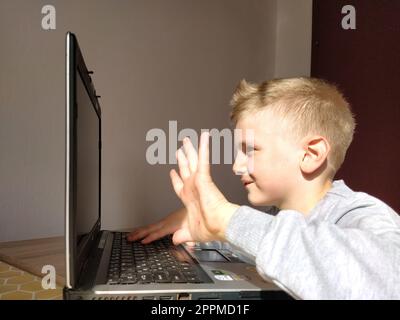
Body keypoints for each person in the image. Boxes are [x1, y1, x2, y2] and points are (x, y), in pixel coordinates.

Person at [128, 78, 400, 299]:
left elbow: (388, 280)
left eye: (251, 150)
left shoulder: (359, 212)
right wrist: (214, 231)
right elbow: (277, 241)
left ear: (310, 154)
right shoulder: (273, 217)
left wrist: (227, 219)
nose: (236, 166)